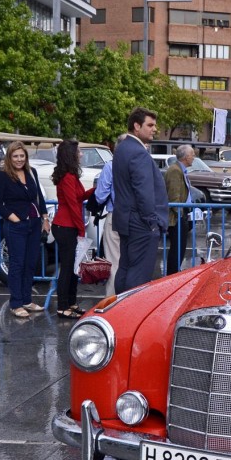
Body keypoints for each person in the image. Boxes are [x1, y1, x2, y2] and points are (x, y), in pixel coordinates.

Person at [113, 108, 168, 293]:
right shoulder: (138, 152)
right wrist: (152, 222)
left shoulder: (122, 148)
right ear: (137, 126)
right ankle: (129, 317)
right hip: (141, 223)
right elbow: (143, 192)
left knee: (125, 268)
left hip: (126, 220)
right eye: (150, 125)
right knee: (138, 275)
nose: (154, 129)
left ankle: (119, 312)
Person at [0, 142, 49, 319]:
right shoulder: (1, 176)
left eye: (22, 156)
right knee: (17, 264)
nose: (19, 159)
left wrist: (45, 218)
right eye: (15, 156)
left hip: (34, 223)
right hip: (15, 225)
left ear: (26, 156)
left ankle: (27, 299)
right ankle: (15, 303)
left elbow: (38, 196)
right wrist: (12, 217)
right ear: (9, 157)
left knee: (31, 263)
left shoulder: (32, 172)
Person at [51, 140, 88, 320]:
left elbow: (79, 197)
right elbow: (73, 205)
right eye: (78, 152)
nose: (81, 154)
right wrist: (81, 230)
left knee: (73, 268)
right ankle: (62, 306)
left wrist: (98, 189)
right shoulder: (67, 177)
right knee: (67, 268)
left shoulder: (70, 176)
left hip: (67, 226)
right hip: (65, 227)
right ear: (70, 155)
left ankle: (71, 302)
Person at [94, 135, 127, 297]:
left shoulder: (111, 167)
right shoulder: (141, 165)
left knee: (114, 261)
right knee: (132, 263)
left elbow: (100, 195)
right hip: (137, 218)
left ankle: (113, 301)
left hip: (115, 215)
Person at [164, 144, 196, 275]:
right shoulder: (175, 171)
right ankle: (172, 276)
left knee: (180, 249)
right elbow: (174, 197)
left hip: (181, 215)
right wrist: (181, 215)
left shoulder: (180, 170)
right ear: (186, 157)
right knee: (177, 250)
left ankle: (174, 273)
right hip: (176, 218)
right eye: (193, 154)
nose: (194, 157)